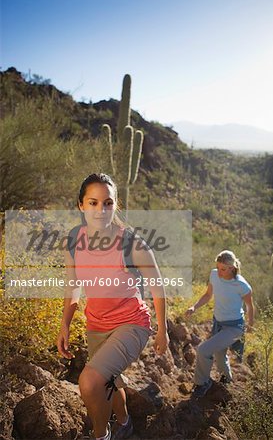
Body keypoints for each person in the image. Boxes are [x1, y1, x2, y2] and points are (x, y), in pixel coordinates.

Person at [57, 173, 169, 440]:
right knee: (109, 379)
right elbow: (73, 285)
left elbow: (158, 287)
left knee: (90, 380)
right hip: (96, 324)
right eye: (93, 202)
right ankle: (125, 422)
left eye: (108, 203)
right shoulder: (73, 241)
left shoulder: (132, 244)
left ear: (115, 205)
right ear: (81, 205)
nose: (101, 210)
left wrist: (163, 329)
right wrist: (65, 324)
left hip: (132, 323)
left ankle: (101, 435)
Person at [185, 250, 254, 398]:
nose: (219, 271)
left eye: (223, 269)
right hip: (218, 323)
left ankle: (202, 383)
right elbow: (208, 295)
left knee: (204, 350)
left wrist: (250, 324)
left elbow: (249, 306)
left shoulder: (242, 285)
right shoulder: (214, 275)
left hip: (235, 326)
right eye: (218, 267)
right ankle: (227, 378)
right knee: (219, 354)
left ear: (232, 267)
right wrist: (194, 307)